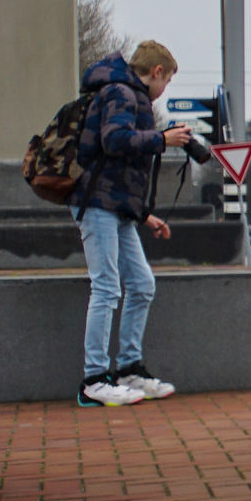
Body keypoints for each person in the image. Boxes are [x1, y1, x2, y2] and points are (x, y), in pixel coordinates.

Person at [69, 41, 193, 405]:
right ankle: (94, 380)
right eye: (166, 82)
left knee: (141, 283)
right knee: (106, 287)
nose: (163, 92)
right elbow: (114, 140)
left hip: (113, 205)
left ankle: (129, 369)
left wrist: (144, 215)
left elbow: (116, 170)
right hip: (96, 204)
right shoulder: (121, 92)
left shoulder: (127, 93)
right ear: (156, 73)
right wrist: (162, 139)